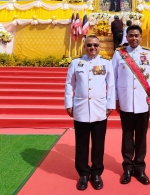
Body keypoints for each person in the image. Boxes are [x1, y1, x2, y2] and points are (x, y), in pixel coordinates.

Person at [65, 35, 115, 191]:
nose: (92, 48)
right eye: (89, 45)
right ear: (84, 46)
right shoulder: (76, 63)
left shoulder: (106, 63)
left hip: (100, 110)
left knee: (98, 144)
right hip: (80, 109)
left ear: (99, 47)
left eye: (95, 45)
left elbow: (111, 85)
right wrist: (68, 104)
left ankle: (96, 173)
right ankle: (84, 174)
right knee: (81, 144)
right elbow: (69, 84)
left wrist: (110, 104)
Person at [112, 25, 150, 186]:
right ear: (126, 37)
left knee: (141, 136)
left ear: (140, 37)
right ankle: (127, 167)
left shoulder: (149, 53)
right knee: (126, 136)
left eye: (136, 35)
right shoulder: (119, 54)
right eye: (131, 35)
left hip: (143, 103)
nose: (134, 38)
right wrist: (115, 100)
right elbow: (113, 79)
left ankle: (139, 167)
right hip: (125, 102)